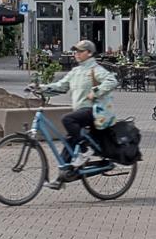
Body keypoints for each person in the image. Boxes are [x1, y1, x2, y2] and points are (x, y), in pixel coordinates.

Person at [35, 39, 118, 190]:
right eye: (76, 51)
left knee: (67, 119)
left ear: (89, 53)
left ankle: (85, 150)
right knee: (69, 142)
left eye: (80, 51)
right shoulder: (75, 72)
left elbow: (112, 81)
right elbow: (61, 86)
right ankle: (62, 178)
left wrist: (96, 92)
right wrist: (41, 88)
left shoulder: (95, 69)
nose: (76, 54)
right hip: (81, 113)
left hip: (94, 111)